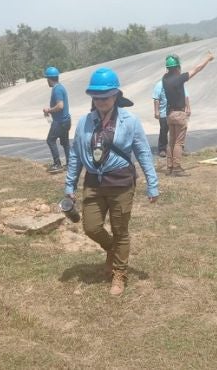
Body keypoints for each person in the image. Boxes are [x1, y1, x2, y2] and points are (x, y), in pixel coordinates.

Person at [65, 67, 159, 296]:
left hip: (121, 184)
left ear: (116, 95)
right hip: (94, 184)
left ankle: (119, 273)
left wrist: (152, 183)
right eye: (96, 97)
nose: (100, 101)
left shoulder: (130, 121)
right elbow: (76, 155)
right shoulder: (84, 122)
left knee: (120, 230)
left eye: (105, 96)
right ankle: (112, 250)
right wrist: (69, 185)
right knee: (91, 227)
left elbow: (143, 152)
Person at [162, 52, 215, 176]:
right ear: (177, 67)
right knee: (179, 142)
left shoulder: (165, 79)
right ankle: (177, 168)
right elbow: (196, 69)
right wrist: (207, 58)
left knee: (171, 141)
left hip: (169, 113)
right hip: (179, 113)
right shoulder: (179, 79)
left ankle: (169, 167)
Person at [43, 66, 71, 173]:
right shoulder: (60, 87)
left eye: (47, 79)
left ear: (49, 79)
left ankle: (57, 164)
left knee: (50, 140)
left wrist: (48, 110)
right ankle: (69, 164)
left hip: (60, 122)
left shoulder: (57, 89)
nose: (47, 81)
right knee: (65, 143)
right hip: (66, 120)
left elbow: (60, 106)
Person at [152, 78, 188, 158]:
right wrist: (156, 111)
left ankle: (179, 149)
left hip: (177, 112)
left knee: (179, 132)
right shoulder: (160, 84)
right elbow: (156, 99)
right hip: (164, 113)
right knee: (164, 131)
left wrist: (188, 108)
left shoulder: (180, 83)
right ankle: (162, 149)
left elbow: (186, 96)